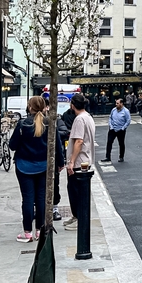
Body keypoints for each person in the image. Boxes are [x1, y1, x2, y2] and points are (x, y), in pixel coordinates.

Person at [10, 96, 65, 242]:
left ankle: (27, 232)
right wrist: (60, 163)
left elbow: (12, 145)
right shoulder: (49, 124)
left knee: (27, 198)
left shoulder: (22, 124)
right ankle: (40, 230)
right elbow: (57, 146)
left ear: (30, 107)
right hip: (44, 165)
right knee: (41, 198)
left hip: (23, 165)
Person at [63, 93, 95, 232]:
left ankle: (78, 217)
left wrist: (71, 162)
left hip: (79, 161)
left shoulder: (79, 119)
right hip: (86, 159)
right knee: (78, 191)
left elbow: (79, 141)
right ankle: (77, 216)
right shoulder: (88, 117)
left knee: (75, 191)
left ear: (72, 105)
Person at [102, 98, 131, 163]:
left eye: (117, 103)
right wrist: (111, 126)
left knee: (121, 143)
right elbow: (110, 118)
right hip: (112, 129)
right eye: (116, 103)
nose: (116, 104)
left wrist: (123, 128)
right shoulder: (113, 110)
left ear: (121, 104)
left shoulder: (126, 111)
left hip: (121, 130)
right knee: (109, 142)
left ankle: (121, 157)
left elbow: (128, 121)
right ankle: (108, 157)